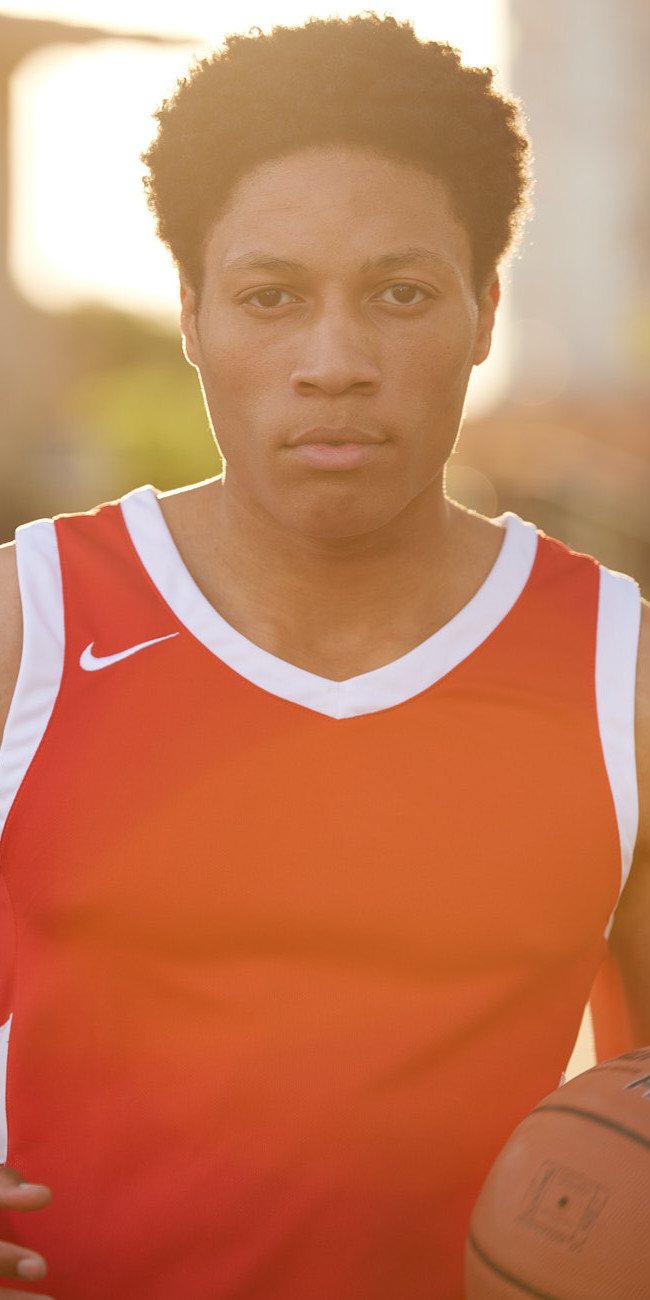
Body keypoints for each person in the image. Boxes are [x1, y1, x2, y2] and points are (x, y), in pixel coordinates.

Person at [0, 13, 648, 1299]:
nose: (334, 364)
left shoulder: (618, 670)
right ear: (190, 313)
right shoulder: (31, 618)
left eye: (399, 294)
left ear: (483, 311)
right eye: (270, 296)